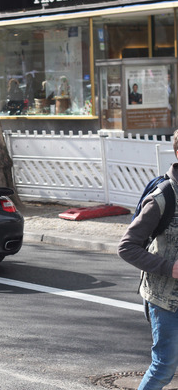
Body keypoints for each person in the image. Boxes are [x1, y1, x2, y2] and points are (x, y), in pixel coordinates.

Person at [118, 129, 178, 390]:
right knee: (164, 367)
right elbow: (127, 247)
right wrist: (169, 268)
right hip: (164, 299)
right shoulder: (163, 198)